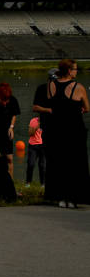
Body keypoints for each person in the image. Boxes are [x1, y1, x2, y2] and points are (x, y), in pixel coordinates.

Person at [44, 59, 90, 208]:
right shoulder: (78, 87)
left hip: (56, 130)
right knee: (75, 164)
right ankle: (73, 197)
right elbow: (87, 107)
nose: (76, 71)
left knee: (58, 163)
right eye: (75, 69)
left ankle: (59, 197)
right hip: (74, 130)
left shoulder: (51, 85)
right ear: (70, 71)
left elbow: (52, 104)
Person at [26, 115, 46, 185]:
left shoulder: (47, 121)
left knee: (42, 166)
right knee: (31, 164)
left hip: (43, 146)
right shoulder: (33, 121)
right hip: (33, 146)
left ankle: (42, 184)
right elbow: (30, 133)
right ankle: (28, 183)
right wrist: (37, 126)